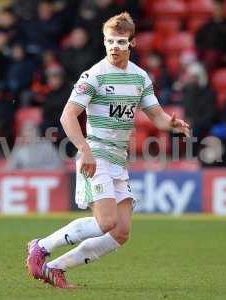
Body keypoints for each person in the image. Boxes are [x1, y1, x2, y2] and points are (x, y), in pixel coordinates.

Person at [25, 12, 190, 289]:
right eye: (110, 41)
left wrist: (170, 124)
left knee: (121, 232)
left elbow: (157, 116)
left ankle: (54, 268)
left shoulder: (140, 78)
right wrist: (84, 150)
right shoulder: (94, 76)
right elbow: (68, 116)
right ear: (104, 42)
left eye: (121, 41)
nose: (115, 46)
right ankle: (41, 247)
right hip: (96, 154)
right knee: (106, 222)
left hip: (118, 159)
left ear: (132, 43)